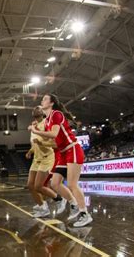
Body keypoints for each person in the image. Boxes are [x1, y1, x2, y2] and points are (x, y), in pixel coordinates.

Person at [31, 94, 93, 227]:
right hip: (63, 153)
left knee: (72, 184)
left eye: (45, 99)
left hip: (73, 149)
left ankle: (85, 214)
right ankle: (73, 204)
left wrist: (36, 131)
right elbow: (53, 142)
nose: (42, 100)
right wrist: (39, 141)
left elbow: (53, 134)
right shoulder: (47, 121)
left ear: (52, 103)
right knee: (55, 183)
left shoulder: (56, 114)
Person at [25, 106, 65, 218]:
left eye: (39, 108)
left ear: (43, 113)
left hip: (47, 158)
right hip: (36, 159)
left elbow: (55, 144)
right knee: (30, 185)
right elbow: (35, 143)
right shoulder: (33, 126)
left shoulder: (47, 124)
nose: (36, 109)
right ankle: (43, 206)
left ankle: (59, 199)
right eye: (35, 108)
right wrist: (30, 151)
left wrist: (42, 143)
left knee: (38, 186)